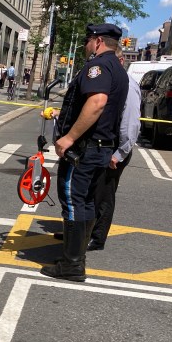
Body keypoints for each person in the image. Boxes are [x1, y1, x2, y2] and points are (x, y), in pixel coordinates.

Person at [40, 23, 129, 282]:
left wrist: (68, 138)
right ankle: (76, 258)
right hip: (100, 149)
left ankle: (72, 265)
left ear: (98, 41)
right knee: (87, 202)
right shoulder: (118, 69)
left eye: (88, 40)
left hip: (85, 149)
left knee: (73, 202)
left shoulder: (97, 67)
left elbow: (97, 102)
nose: (85, 46)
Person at [52, 45, 140, 251]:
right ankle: (80, 238)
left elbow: (130, 123)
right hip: (105, 146)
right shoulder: (112, 80)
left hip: (114, 149)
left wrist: (120, 153)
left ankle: (96, 238)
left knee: (103, 196)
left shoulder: (127, 84)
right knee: (89, 195)